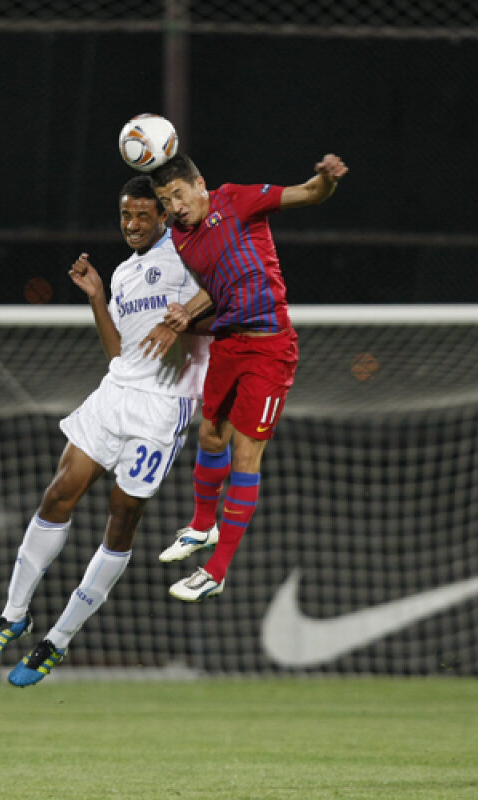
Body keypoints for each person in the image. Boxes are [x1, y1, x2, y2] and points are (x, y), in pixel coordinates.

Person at [0, 175, 208, 686]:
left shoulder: (189, 259)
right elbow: (119, 352)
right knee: (58, 494)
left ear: (164, 216)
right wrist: (97, 296)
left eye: (144, 215)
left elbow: (226, 291)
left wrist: (187, 314)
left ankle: (58, 640)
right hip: (116, 391)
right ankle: (14, 615)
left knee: (121, 519)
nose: (134, 225)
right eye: (126, 216)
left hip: (164, 407)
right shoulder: (122, 274)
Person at [148, 152, 348, 602]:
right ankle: (202, 526)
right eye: (165, 200)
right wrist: (190, 311)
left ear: (200, 185)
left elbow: (311, 194)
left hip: (269, 346)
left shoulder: (237, 201)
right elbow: (217, 286)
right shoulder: (180, 236)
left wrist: (324, 178)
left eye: (178, 194)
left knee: (245, 451)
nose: (174, 206)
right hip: (228, 343)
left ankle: (216, 572)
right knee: (211, 435)